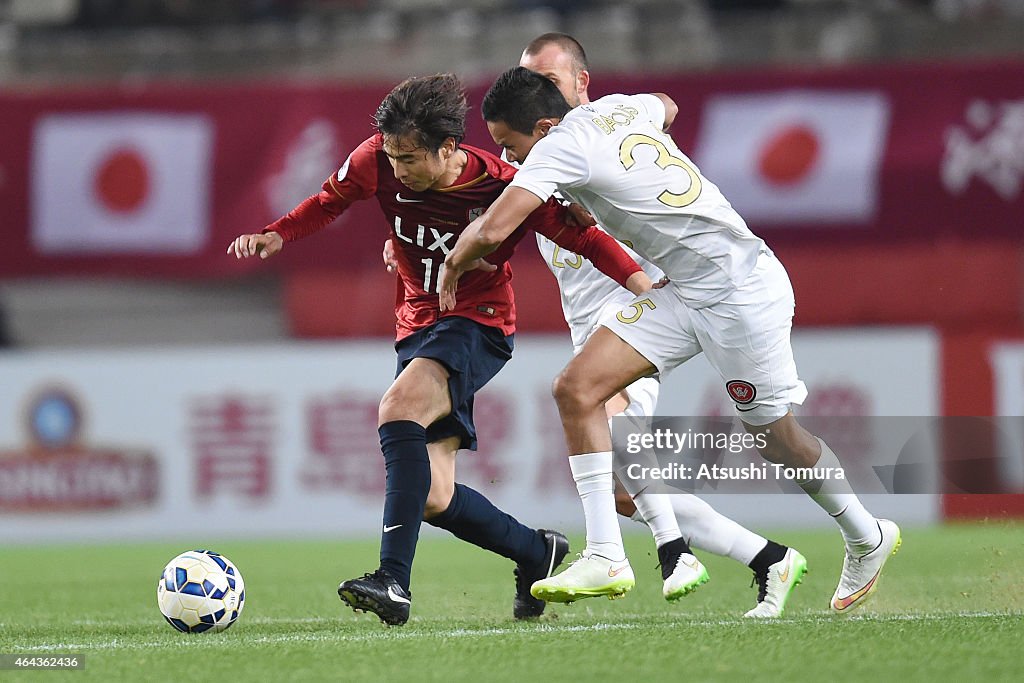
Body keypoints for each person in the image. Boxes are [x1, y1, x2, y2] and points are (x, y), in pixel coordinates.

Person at [440, 66, 901, 613]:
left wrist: (452, 262)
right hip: (683, 290)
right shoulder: (619, 109)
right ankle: (607, 554)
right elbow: (666, 104)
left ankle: (867, 535)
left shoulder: (559, 147)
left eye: (510, 146)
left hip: (739, 293)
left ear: (542, 128)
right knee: (577, 389)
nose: (511, 159)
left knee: (776, 440)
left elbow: (494, 227)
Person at [227, 73, 653, 626]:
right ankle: (535, 552)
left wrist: (642, 285)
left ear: (448, 148)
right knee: (432, 495)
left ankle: (393, 582)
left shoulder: (504, 184)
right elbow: (330, 200)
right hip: (415, 323)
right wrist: (277, 233)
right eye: (393, 157)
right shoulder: (373, 158)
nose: (397, 169)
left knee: (397, 408)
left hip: (478, 321)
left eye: (409, 159)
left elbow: (585, 237)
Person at [516, 32, 806, 617]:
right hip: (593, 334)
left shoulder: (612, 141)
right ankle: (767, 557)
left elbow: (663, 112)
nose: (538, 92)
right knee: (625, 492)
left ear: (580, 83)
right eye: (530, 80)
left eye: (549, 80)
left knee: (604, 417)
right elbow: (483, 213)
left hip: (638, 323)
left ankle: (654, 555)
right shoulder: (535, 164)